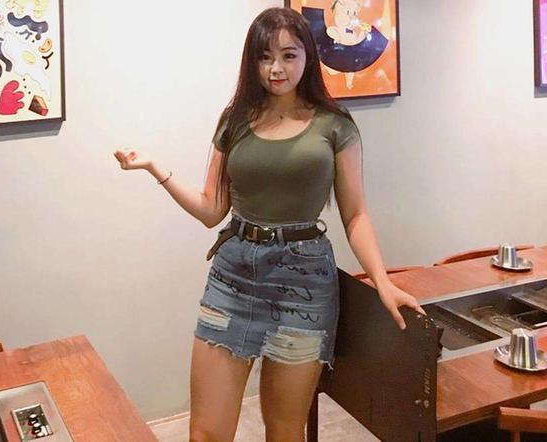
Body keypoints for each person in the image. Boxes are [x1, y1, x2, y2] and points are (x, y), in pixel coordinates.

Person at [113, 7, 424, 442]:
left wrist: (382, 281)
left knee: (284, 430)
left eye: (288, 55)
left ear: (308, 57)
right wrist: (154, 168)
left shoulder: (334, 125)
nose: (276, 68)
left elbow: (355, 214)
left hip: (304, 282)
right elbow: (211, 210)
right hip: (233, 276)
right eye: (265, 57)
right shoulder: (235, 119)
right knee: (206, 433)